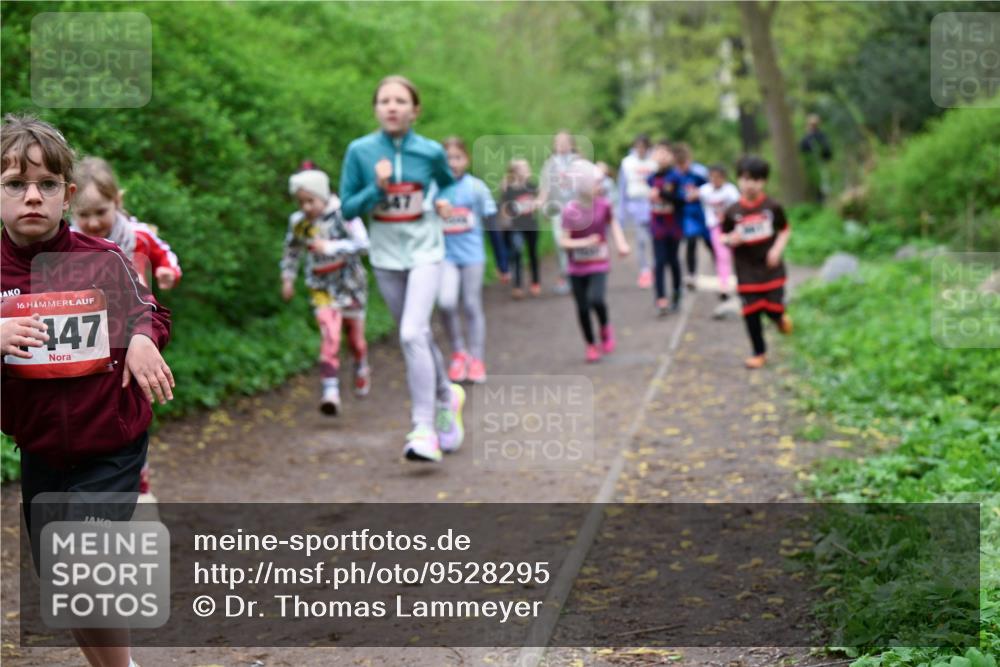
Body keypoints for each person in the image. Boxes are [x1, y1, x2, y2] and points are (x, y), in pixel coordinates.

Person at [1, 114, 173, 667]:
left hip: (111, 443)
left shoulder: (101, 260)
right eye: (14, 184)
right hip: (41, 446)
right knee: (64, 581)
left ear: (67, 195)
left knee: (79, 556)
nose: (32, 196)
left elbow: (149, 310)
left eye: (47, 185)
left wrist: (144, 338)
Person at [338, 75, 464, 463]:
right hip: (386, 256)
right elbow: (346, 208)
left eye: (401, 101)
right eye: (385, 101)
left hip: (427, 250)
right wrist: (377, 188)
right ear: (376, 108)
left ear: (415, 110)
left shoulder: (429, 152)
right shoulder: (360, 151)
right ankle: (447, 395)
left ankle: (423, 427)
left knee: (411, 333)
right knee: (416, 335)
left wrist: (443, 202)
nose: (392, 107)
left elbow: (446, 185)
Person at [70, 156, 182, 503]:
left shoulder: (138, 236)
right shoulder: (69, 244)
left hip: (137, 339)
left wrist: (168, 274)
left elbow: (167, 256)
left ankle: (141, 487)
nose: (91, 222)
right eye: (82, 214)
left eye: (100, 212)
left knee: (133, 410)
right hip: (92, 342)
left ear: (117, 200)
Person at [282, 167, 370, 415]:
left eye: (311, 201)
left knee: (355, 339)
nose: (306, 207)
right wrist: (287, 278)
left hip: (350, 283)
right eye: (301, 202)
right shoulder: (298, 223)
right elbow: (291, 250)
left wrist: (330, 246)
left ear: (323, 195)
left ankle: (361, 364)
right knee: (330, 335)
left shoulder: (345, 214)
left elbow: (364, 244)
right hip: (321, 286)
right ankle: (330, 392)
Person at [721, 155, 793, 369]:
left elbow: (785, 229)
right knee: (751, 313)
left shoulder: (772, 206)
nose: (750, 184)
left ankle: (779, 319)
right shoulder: (732, 211)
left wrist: (777, 250)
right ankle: (758, 352)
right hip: (746, 272)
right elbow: (722, 236)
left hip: (771, 270)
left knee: (773, 308)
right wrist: (730, 239)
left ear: (764, 181)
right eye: (745, 178)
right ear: (738, 180)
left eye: (756, 179)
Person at [436, 137, 496, 384]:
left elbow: (491, 222)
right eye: (448, 158)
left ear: (466, 160)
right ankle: (459, 352)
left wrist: (502, 262)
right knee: (446, 303)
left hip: (472, 256)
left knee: (471, 304)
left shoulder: (477, 188)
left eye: (457, 158)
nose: (453, 163)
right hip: (445, 256)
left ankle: (477, 357)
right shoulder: (435, 189)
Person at [559, 159, 630, 362]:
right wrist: (583, 243)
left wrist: (621, 244)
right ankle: (590, 345)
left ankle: (605, 327)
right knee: (582, 308)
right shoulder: (569, 210)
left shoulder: (604, 205)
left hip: (599, 262)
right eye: (595, 183)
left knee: (596, 300)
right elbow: (564, 241)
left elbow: (613, 223)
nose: (599, 187)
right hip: (576, 267)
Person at [538, 130, 578, 295]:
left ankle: (577, 276)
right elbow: (545, 188)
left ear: (571, 144)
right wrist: (542, 205)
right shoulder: (550, 164)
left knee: (576, 243)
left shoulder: (578, 162)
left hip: (577, 211)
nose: (561, 144)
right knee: (560, 243)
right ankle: (567, 275)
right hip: (558, 211)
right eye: (558, 141)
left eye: (565, 141)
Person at [698, 164, 741, 318]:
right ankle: (724, 286)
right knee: (722, 256)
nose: (715, 180)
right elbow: (692, 196)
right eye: (712, 177)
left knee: (737, 255)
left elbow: (738, 207)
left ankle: (740, 282)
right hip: (715, 227)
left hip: (731, 227)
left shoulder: (731, 191)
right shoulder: (705, 190)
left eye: (718, 177)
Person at [616, 134, 658, 289]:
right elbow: (621, 188)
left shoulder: (654, 162)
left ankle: (654, 267)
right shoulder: (627, 163)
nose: (640, 150)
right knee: (641, 240)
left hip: (653, 205)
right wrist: (621, 212)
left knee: (654, 239)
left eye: (643, 147)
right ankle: (644, 270)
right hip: (636, 206)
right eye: (637, 147)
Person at [669, 143, 712, 291]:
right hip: (687, 215)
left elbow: (713, 188)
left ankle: (721, 270)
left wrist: (699, 193)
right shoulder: (674, 176)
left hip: (703, 213)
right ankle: (692, 274)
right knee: (691, 241)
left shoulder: (700, 172)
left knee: (711, 243)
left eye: (684, 163)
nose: (682, 167)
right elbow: (670, 194)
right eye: (679, 165)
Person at [647, 140, 683, 316]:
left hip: (674, 226)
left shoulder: (676, 177)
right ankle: (661, 298)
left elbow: (679, 199)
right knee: (659, 261)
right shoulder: (651, 178)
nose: (661, 156)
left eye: (664, 153)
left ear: (671, 156)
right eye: (657, 152)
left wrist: (661, 194)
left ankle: (677, 292)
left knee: (673, 260)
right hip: (657, 226)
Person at [499, 159, 541, 299]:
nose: (527, 171)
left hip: (531, 225)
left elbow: (539, 200)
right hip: (516, 227)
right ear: (515, 171)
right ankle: (517, 286)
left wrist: (535, 204)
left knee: (532, 254)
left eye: (527, 168)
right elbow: (504, 207)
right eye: (523, 168)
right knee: (517, 253)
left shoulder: (531, 185)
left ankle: (535, 282)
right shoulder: (509, 188)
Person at [799, 114, 832, 203]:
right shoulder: (806, 138)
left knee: (823, 186)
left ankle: (823, 202)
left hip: (821, 164)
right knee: (815, 187)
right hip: (811, 167)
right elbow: (802, 151)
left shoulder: (821, 136)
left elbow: (827, 151)